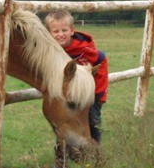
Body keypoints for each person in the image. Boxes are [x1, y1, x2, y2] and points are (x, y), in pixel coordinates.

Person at [45, 10, 109, 144]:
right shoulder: (50, 50)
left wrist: (96, 96)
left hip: (89, 96)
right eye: (56, 31)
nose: (60, 34)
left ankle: (97, 148)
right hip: (70, 95)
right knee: (64, 121)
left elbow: (101, 59)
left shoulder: (84, 50)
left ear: (72, 31)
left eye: (64, 30)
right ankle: (63, 154)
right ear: (49, 33)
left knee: (93, 120)